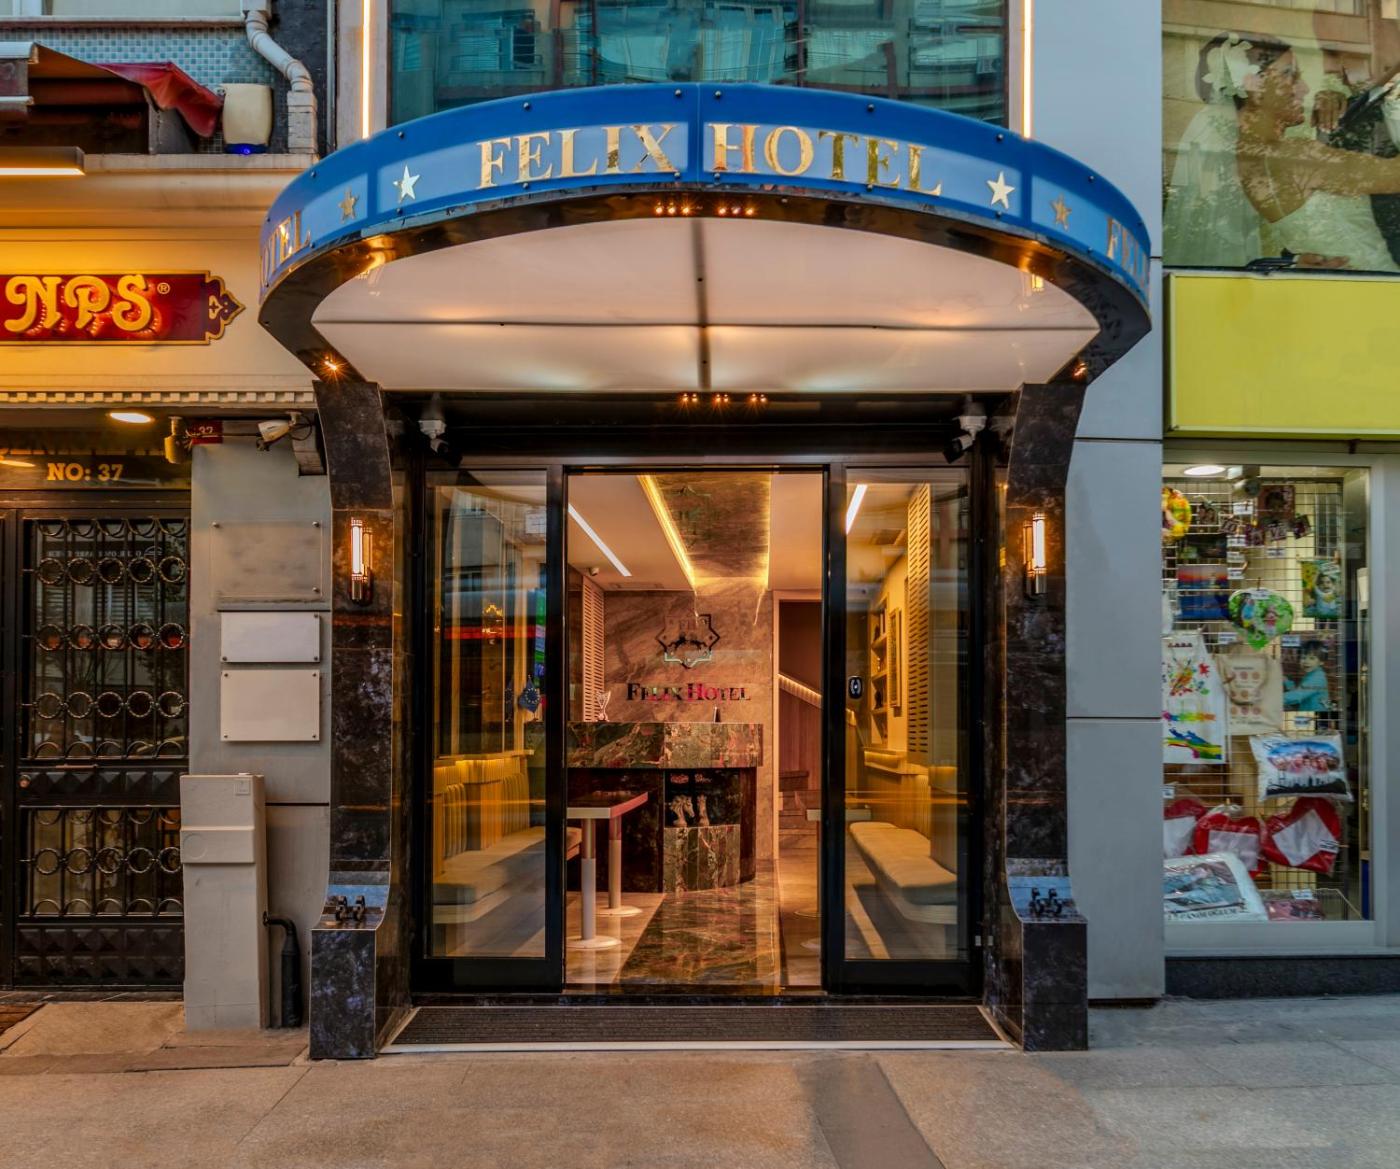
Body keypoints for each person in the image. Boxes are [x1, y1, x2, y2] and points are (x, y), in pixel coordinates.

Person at [1166, 33, 1400, 270]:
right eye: (1290, 74)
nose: (1305, 88)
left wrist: (1344, 104)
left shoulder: (1247, 159)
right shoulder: (1295, 158)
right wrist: (1394, 99)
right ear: (1254, 87)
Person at [1283, 640, 1332, 712]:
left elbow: (1297, 695)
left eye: (1312, 658)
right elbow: (1300, 691)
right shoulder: (1312, 674)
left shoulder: (1317, 678)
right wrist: (1287, 681)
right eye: (1303, 657)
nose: (1306, 661)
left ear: (1321, 662)